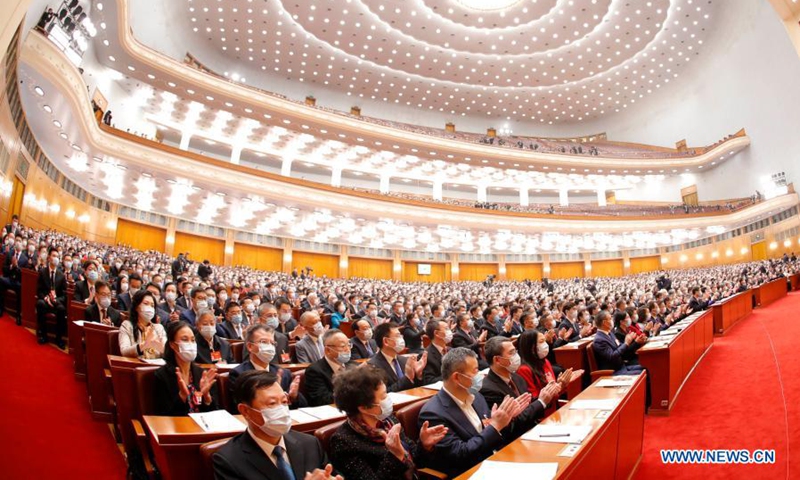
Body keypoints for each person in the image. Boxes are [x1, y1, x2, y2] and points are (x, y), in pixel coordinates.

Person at [417, 347, 529, 477]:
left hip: (495, 461)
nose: (481, 375)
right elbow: (460, 454)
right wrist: (495, 425)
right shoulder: (433, 414)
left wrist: (506, 419)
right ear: (457, 378)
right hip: (470, 472)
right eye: (475, 371)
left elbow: (491, 435)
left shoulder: (477, 397)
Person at [213, 370, 342, 480]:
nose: (281, 410)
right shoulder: (228, 460)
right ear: (245, 411)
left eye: (284, 402)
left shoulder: (310, 444)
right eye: (272, 404)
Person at [329, 367, 448, 480]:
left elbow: (417, 460)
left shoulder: (388, 421)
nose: (388, 399)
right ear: (364, 408)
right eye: (383, 396)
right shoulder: (343, 441)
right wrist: (394, 456)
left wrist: (424, 445)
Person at [481, 336, 560, 439]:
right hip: (516, 439)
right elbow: (511, 425)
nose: (516, 356)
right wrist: (541, 402)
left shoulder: (517, 378)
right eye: (511, 353)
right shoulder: (488, 389)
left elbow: (529, 404)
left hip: (534, 430)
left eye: (515, 351)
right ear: (497, 360)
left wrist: (547, 395)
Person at [227, 325, 305, 411]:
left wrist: (294, 397)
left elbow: (303, 406)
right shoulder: (239, 374)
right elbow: (239, 408)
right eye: (264, 342)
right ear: (250, 346)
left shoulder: (284, 373)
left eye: (272, 343)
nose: (269, 346)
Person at [153, 321, 218, 416]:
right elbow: (163, 416)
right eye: (185, 340)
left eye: (193, 340)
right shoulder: (162, 376)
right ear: (172, 345)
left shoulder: (203, 374)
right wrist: (182, 396)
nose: (190, 344)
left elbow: (215, 413)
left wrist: (207, 397)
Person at [516, 330, 574, 417]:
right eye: (541, 341)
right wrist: (558, 387)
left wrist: (561, 385)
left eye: (545, 341)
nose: (545, 344)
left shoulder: (545, 362)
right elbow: (535, 401)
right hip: (542, 416)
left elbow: (555, 394)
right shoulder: (523, 370)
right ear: (531, 347)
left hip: (555, 410)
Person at [367, 322, 426, 392]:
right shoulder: (373, 366)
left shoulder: (404, 360)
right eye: (398, 336)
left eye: (401, 335)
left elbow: (415, 387)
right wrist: (407, 377)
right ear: (386, 341)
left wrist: (418, 375)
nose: (402, 338)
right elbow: (384, 393)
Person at [304, 329, 355, 406]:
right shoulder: (314, 370)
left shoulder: (354, 366)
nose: (348, 350)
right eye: (342, 346)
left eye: (349, 345)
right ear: (328, 350)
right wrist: (355, 395)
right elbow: (322, 400)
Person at [119, 290, 167, 359]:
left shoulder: (159, 328)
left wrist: (162, 349)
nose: (150, 308)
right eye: (146, 303)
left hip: (155, 365)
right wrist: (144, 345)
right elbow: (124, 352)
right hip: (135, 364)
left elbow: (166, 353)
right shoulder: (127, 325)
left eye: (152, 306)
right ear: (136, 307)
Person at [36, 247, 67, 347]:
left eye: (57, 256)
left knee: (62, 309)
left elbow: (64, 295)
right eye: (54, 256)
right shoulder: (42, 272)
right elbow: (39, 290)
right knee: (40, 303)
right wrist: (46, 298)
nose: (56, 258)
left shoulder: (61, 275)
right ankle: (43, 335)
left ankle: (59, 338)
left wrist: (56, 299)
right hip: (45, 300)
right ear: (49, 258)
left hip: (56, 301)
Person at [422, 319, 451, 384]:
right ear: (436, 333)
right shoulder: (426, 355)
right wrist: (452, 376)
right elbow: (429, 381)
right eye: (446, 328)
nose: (450, 331)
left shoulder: (452, 350)